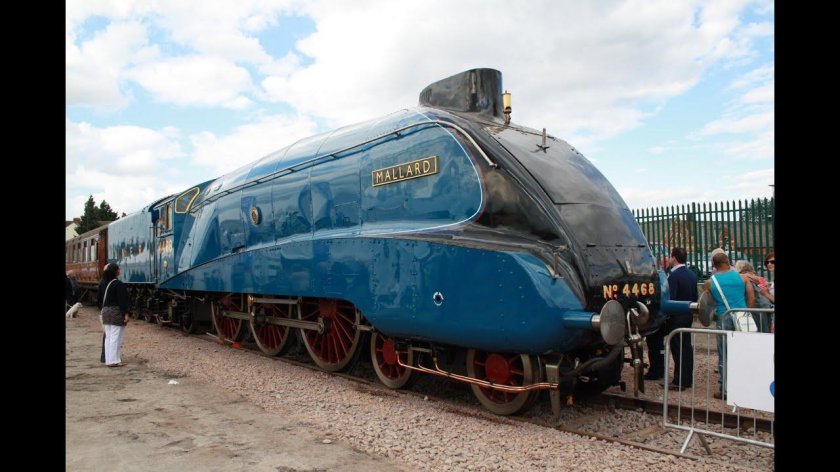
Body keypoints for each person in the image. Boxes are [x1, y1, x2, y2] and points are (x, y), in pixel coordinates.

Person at [703, 252, 755, 399]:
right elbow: (751, 297)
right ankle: (746, 385)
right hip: (742, 316)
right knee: (744, 351)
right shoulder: (742, 277)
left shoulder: (710, 282)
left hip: (723, 318)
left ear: (714, 265)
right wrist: (747, 312)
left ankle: (725, 389)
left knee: (724, 354)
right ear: (727, 262)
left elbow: (707, 300)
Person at [663, 247, 698, 390]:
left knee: (678, 349)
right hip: (688, 314)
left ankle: (679, 381)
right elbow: (695, 297)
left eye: (670, 257)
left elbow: (671, 297)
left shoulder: (674, 276)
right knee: (686, 347)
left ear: (674, 258)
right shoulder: (692, 274)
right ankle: (687, 379)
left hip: (676, 316)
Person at [97, 263, 130, 367]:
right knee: (116, 337)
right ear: (115, 271)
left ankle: (108, 359)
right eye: (118, 269)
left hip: (105, 311)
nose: (120, 270)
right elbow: (122, 301)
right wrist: (125, 314)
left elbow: (99, 299)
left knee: (108, 337)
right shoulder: (118, 284)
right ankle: (114, 360)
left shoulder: (103, 283)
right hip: (116, 312)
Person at [735, 260, 773, 332]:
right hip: (766, 306)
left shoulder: (743, 278)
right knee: (767, 331)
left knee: (758, 332)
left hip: (756, 308)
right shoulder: (759, 278)